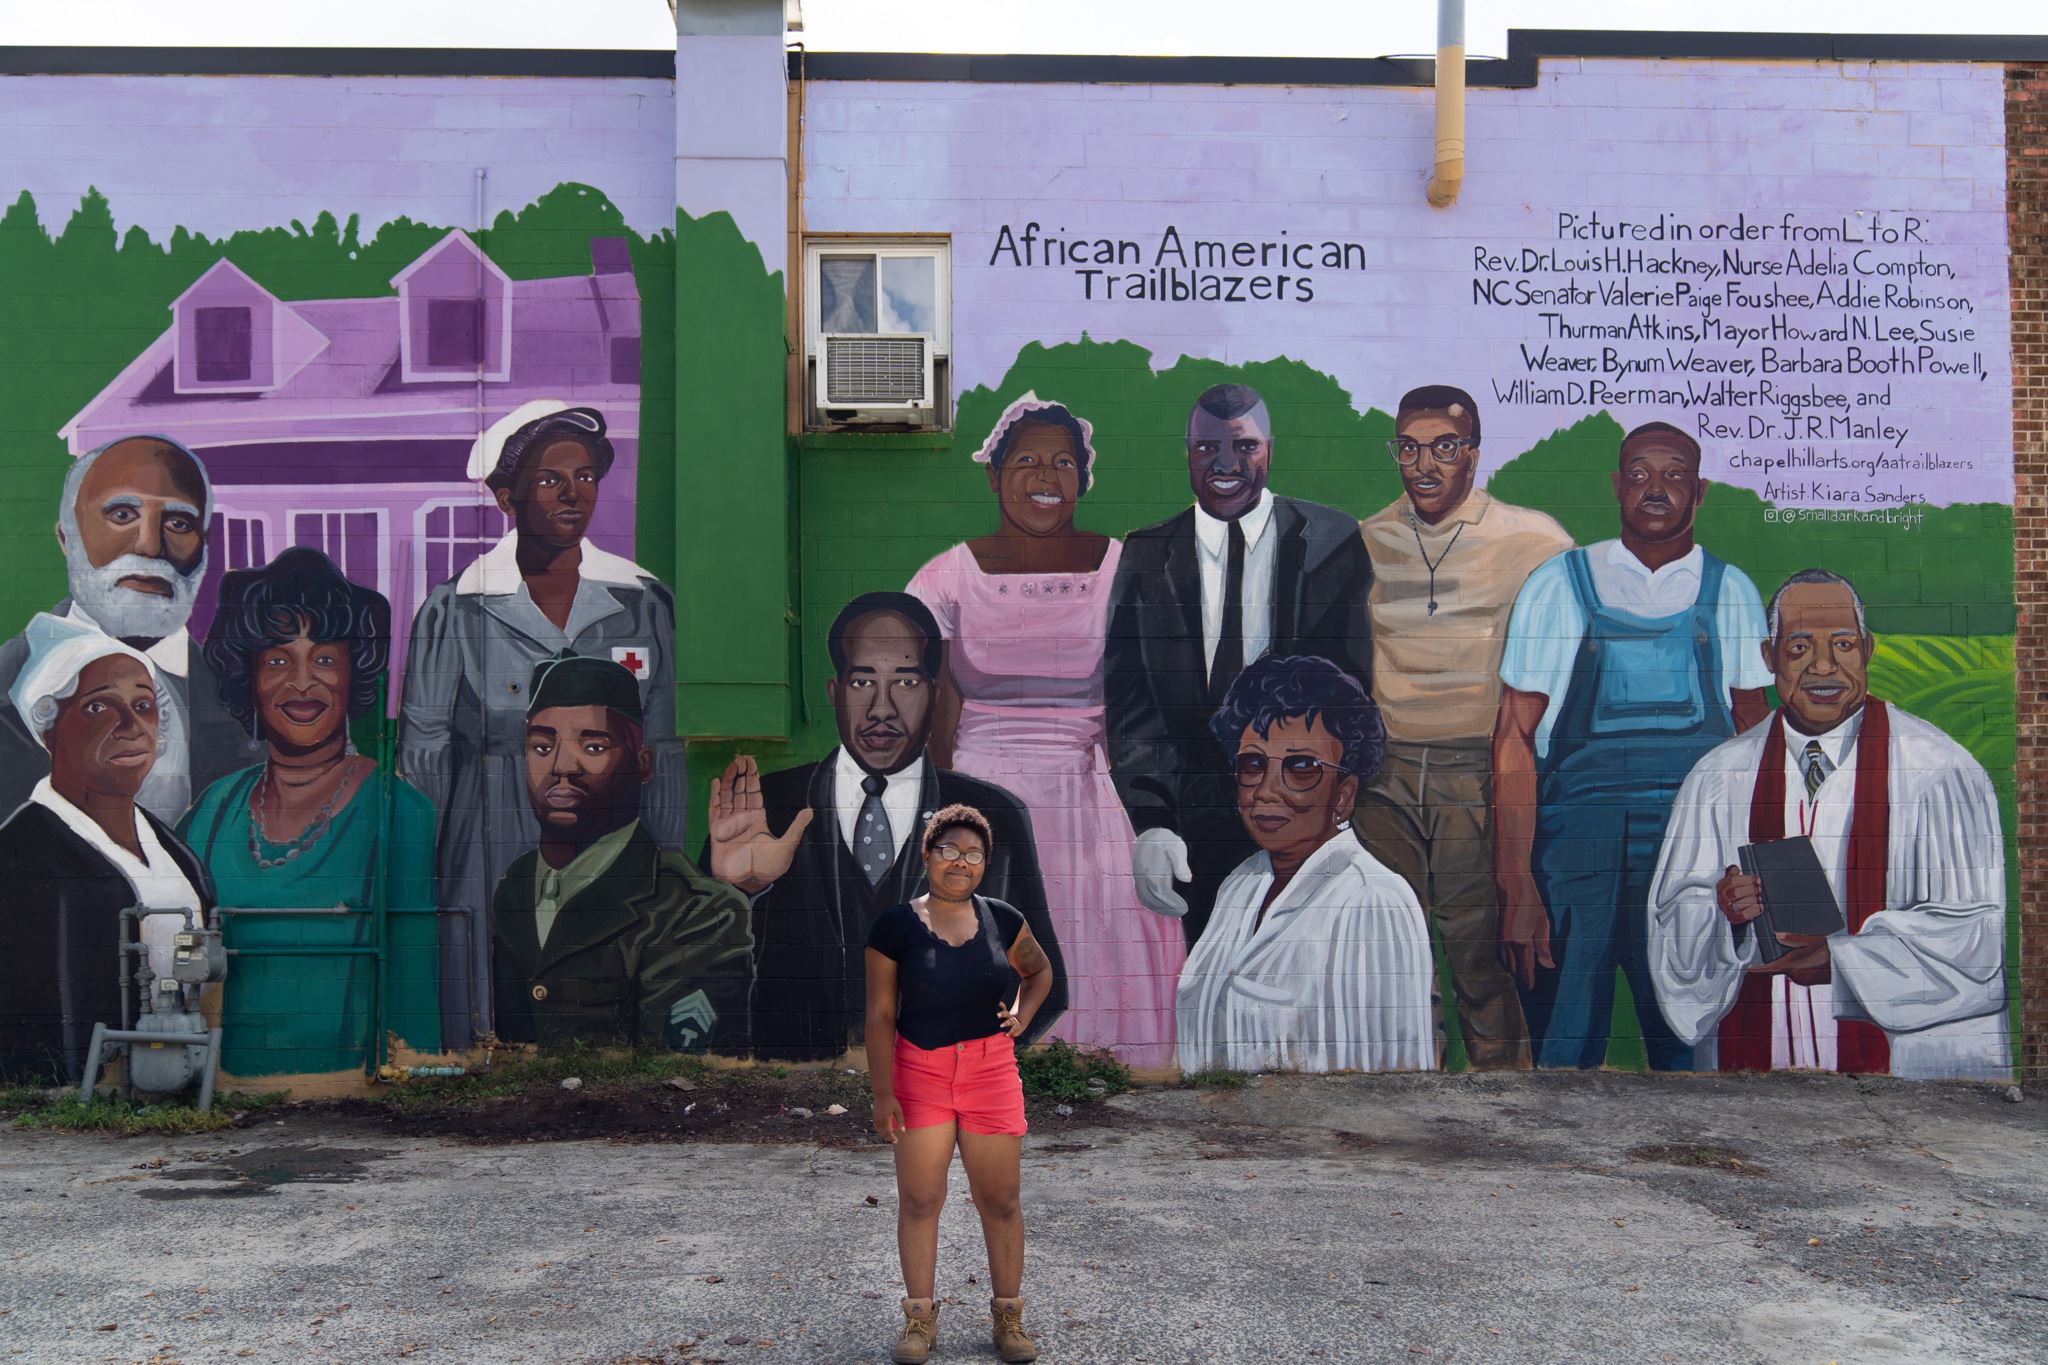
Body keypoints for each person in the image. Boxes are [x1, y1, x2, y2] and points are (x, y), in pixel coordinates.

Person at [907, 393, 1184, 1066]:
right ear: (993, 475)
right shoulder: (949, 577)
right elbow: (932, 702)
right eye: (1026, 460)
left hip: (1091, 796)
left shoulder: (1125, 569)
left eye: (1063, 462)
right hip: (983, 793)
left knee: (1104, 944)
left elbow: (1147, 699)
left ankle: (1100, 1074)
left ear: (1083, 479)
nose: (1045, 476)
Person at [1648, 570, 2010, 1080]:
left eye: (1842, 644)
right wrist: (1723, 915)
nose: (1823, 665)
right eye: (1799, 647)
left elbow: (1976, 936)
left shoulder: (1940, 770)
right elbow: (1671, 919)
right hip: (1757, 1079)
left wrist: (1844, 964)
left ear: (1867, 649)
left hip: (1912, 1088)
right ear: (1769, 657)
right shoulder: (1718, 776)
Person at [400, 401, 684, 1046]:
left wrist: (665, 860)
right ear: (507, 496)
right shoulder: (457, 608)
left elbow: (661, 747)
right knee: (489, 985)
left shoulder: (640, 601)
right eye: (551, 479)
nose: (573, 494)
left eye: (586, 477)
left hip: (609, 832)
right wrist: (427, 872)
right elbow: (424, 752)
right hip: (490, 829)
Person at [1494, 422, 1773, 1070]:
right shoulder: (1557, 585)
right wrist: (1517, 887)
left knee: (1686, 1050)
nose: (1655, 487)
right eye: (1640, 473)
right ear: (1617, 486)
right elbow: (1511, 740)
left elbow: (1755, 751)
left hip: (1689, 862)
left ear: (1699, 491)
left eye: (1673, 473)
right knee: (1564, 1054)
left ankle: (1686, 1172)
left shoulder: (1730, 593)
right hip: (1573, 861)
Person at [705, 592, 1066, 1060]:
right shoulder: (768, 807)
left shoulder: (991, 815)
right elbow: (692, 989)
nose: (881, 709)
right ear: (835, 693)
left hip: (941, 1083)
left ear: (935, 693)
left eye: (906, 682)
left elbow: (1042, 981)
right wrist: (743, 894)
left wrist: (982, 1056)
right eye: (861, 682)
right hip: (791, 1090)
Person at [1106, 383, 1373, 949]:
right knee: (1214, 981)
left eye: (1244, 447)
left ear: (1269, 449)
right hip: (1194, 820)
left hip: (1302, 804)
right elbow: (1132, 705)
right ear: (1187, 452)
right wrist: (1153, 822)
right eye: (1207, 448)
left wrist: (1331, 812)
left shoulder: (1330, 541)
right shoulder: (1145, 555)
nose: (1226, 464)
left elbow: (1351, 692)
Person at [1355, 385, 1571, 1070]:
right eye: (1409, 447)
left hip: (1477, 769)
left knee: (1480, 956)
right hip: (1382, 774)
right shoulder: (1367, 539)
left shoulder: (1534, 540)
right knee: (1397, 953)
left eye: (1444, 447)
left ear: (1474, 452)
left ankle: (1506, 1102)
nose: (1425, 464)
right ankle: (1410, 1104)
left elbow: (1566, 662)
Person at [177, 548, 440, 1074]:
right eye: (277, 660)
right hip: (218, 1109)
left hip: (351, 1112)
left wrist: (412, 1086)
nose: (301, 683)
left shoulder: (398, 811)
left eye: (323, 659)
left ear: (353, 672)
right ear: (248, 678)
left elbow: (415, 994)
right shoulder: (211, 810)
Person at [1175, 655, 1435, 1075]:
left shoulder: (1373, 902)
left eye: (1301, 768)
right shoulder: (1242, 885)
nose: (1266, 790)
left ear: (1345, 794)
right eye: (1253, 765)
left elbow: (1389, 1082)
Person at [864, 804, 1054, 1365]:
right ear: (927, 855)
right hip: (918, 1072)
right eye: (948, 850)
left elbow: (1040, 972)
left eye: (973, 854)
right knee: (921, 1199)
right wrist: (881, 1093)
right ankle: (919, 1321)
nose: (960, 862)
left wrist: (1020, 1017)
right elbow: (879, 1014)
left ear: (984, 864)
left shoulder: (1002, 919)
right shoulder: (895, 925)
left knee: (1000, 1200)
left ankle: (1008, 1317)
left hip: (991, 1072)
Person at [493, 652, 754, 1051]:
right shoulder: (516, 885)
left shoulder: (694, 911)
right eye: (542, 748)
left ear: (643, 764)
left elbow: (666, 1078)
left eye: (593, 747)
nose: (563, 766)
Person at [0, 435, 259, 824]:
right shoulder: (7, 683)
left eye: (178, 522)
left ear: (204, 549)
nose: (151, 545)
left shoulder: (258, 709)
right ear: (66, 538)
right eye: (122, 515)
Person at [0, 615, 214, 1083]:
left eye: (143, 706)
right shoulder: (22, 856)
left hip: (175, 1077)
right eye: (99, 708)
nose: (131, 725)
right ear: (48, 726)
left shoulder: (175, 852)